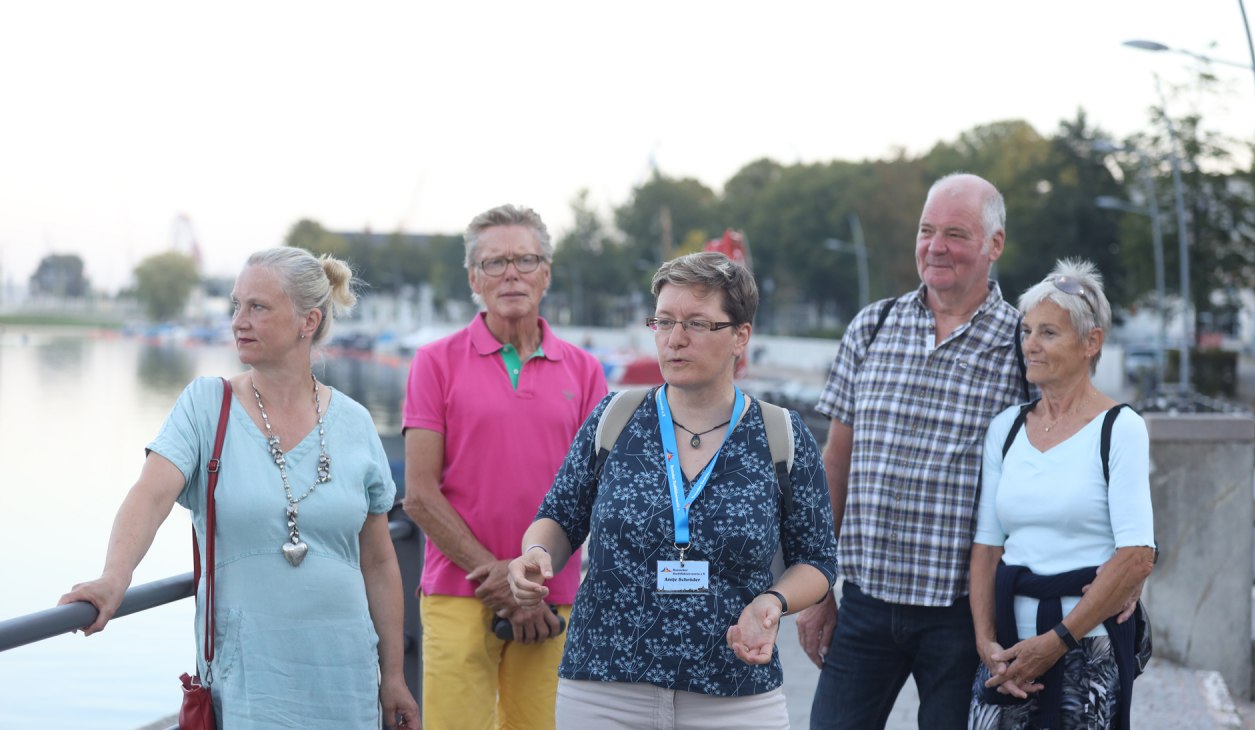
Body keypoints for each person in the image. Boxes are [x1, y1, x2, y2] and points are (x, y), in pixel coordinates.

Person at [60, 247, 420, 729]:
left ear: (308, 321)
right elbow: (150, 495)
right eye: (236, 305)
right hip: (249, 679)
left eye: (258, 307)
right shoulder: (207, 405)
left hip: (345, 680)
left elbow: (377, 560)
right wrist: (114, 577)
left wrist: (393, 676)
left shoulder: (355, 423)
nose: (238, 321)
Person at [507, 251, 838, 729]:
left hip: (735, 695)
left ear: (740, 336)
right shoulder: (614, 418)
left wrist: (773, 602)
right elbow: (559, 518)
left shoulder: (780, 434)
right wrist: (536, 554)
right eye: (663, 322)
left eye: (697, 324)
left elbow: (817, 560)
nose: (675, 339)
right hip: (604, 691)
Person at [801, 172, 1031, 729]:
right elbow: (836, 461)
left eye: (956, 233)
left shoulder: (1024, 345)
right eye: (927, 231)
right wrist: (815, 586)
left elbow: (1056, 468)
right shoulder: (872, 326)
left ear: (994, 244)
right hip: (864, 603)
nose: (936, 246)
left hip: (964, 616)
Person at [401, 204, 607, 730]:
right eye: (495, 263)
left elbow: (597, 493)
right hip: (458, 591)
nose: (511, 273)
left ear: (546, 273)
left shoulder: (586, 372)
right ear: (474, 278)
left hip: (551, 600)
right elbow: (419, 495)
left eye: (525, 260)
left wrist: (528, 584)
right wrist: (500, 577)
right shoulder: (434, 362)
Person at [968, 259, 1155, 729]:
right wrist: (986, 643)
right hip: (1008, 649)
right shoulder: (1006, 429)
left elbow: (1137, 555)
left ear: (1092, 342)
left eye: (1048, 333)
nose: (1030, 344)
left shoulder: (1120, 428)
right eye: (1027, 330)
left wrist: (1055, 643)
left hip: (1086, 648)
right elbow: (987, 548)